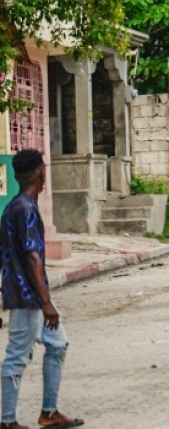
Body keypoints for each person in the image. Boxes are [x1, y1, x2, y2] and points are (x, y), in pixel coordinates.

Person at [0, 150, 83, 429]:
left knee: (58, 344)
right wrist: (46, 302)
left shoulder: (15, 207)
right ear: (40, 172)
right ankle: (7, 420)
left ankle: (49, 413)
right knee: (16, 357)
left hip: (28, 294)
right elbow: (33, 257)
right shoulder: (25, 209)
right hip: (28, 298)